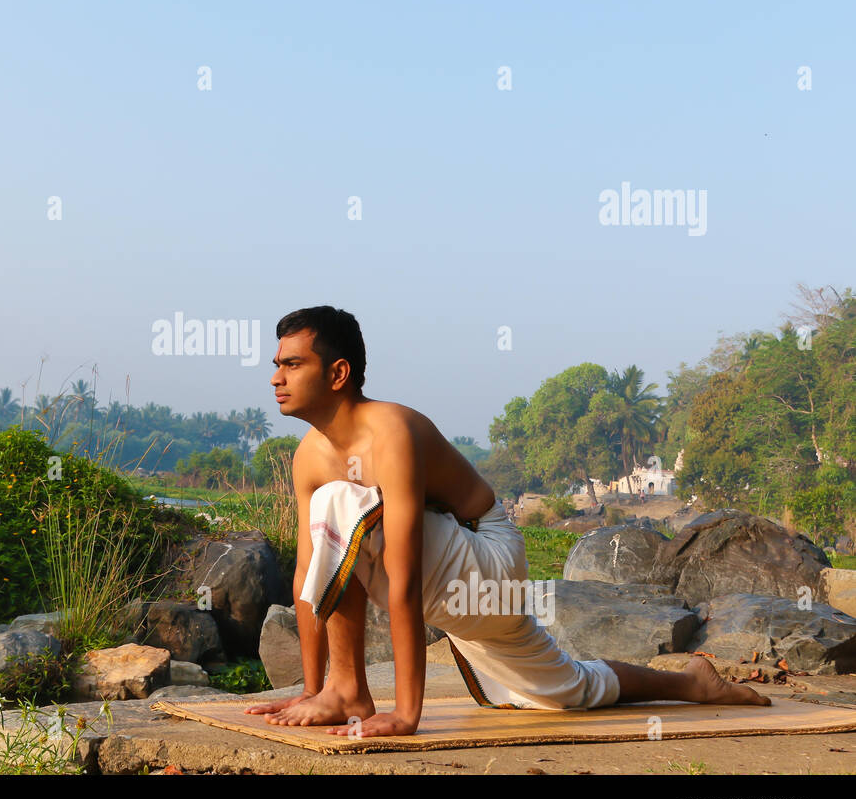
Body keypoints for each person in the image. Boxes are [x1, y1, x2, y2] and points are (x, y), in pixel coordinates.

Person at [244, 305, 770, 738]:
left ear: (337, 373)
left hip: (486, 557)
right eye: (276, 363)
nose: (275, 377)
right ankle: (692, 683)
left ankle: (350, 689)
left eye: (291, 364)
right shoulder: (308, 456)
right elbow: (308, 577)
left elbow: (403, 576)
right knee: (565, 691)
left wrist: (407, 714)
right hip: (452, 588)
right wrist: (311, 693)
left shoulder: (391, 433)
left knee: (339, 500)